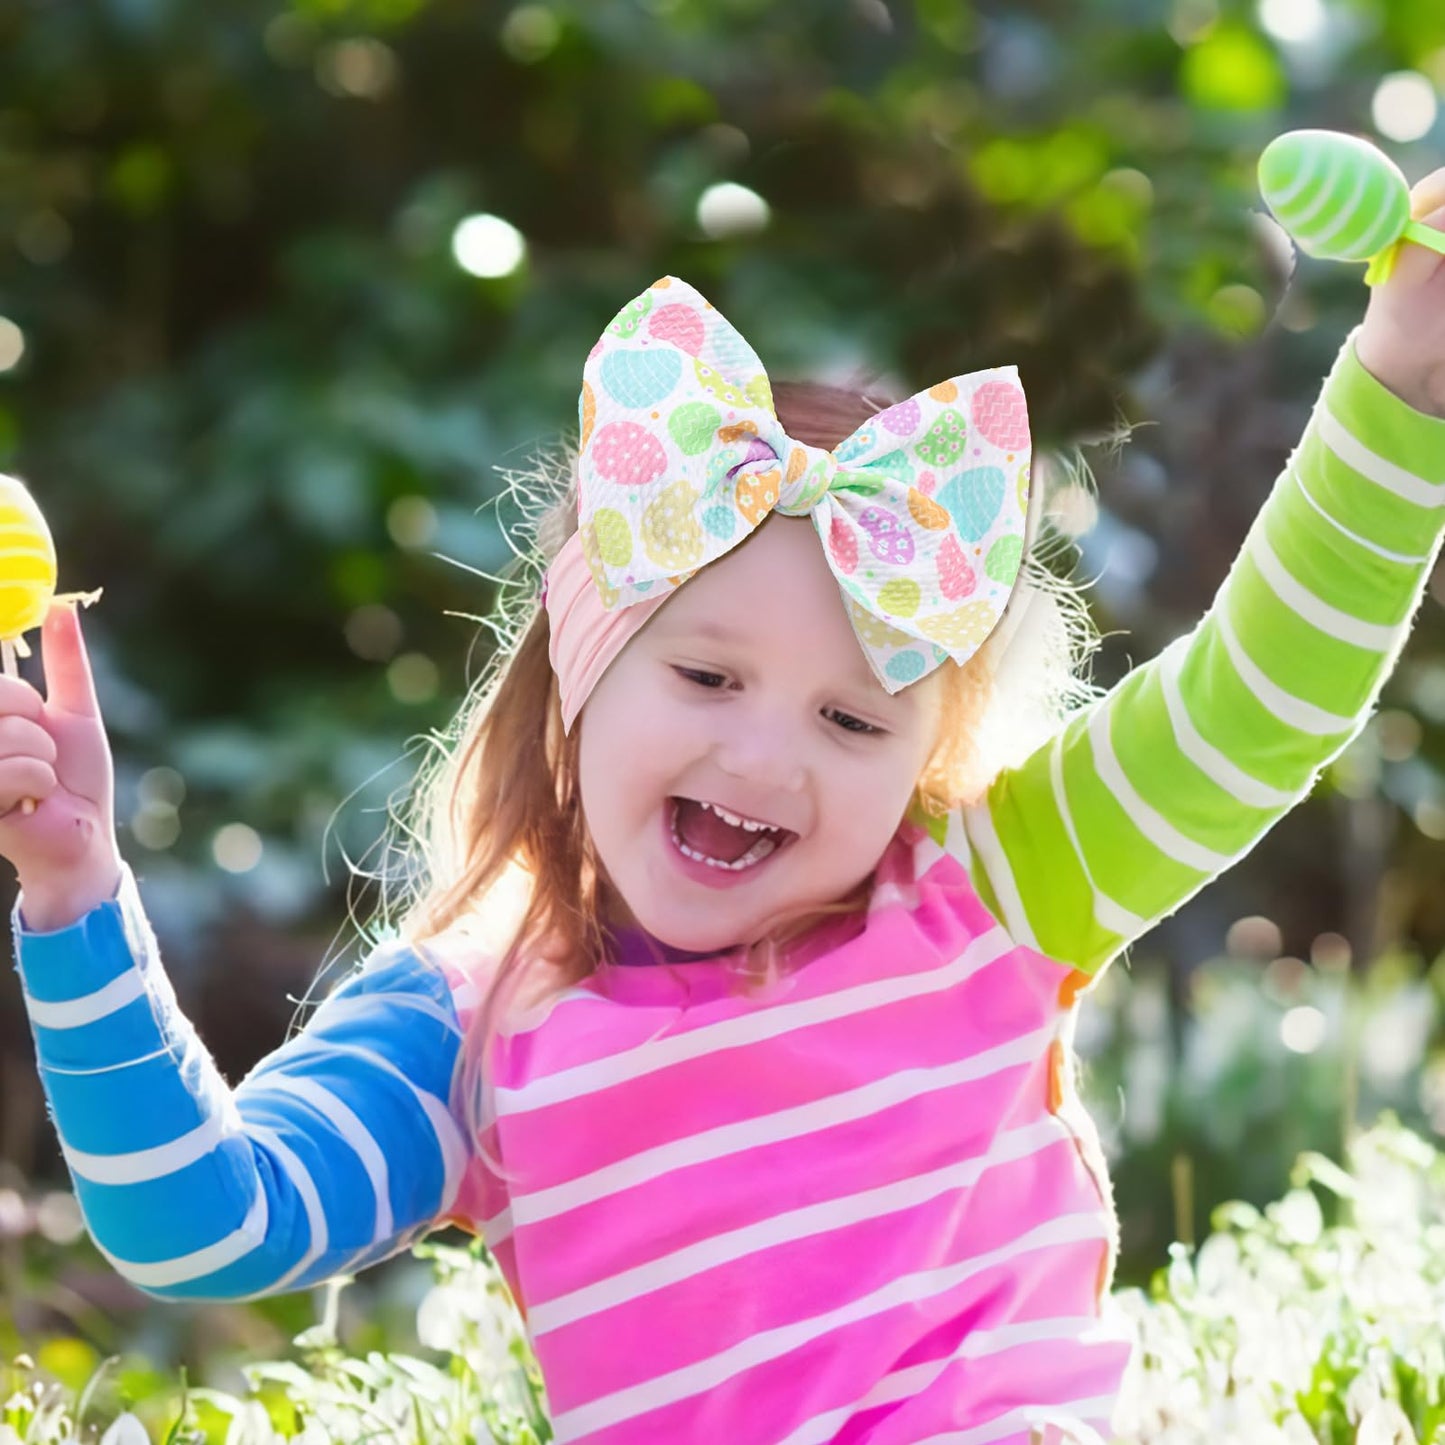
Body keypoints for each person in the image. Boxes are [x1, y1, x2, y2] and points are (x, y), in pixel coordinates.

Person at [7, 195, 1445, 1444]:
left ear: (922, 753)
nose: (765, 756)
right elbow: (204, 1222)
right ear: (580, 661)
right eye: (704, 674)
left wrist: (1397, 385)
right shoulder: (472, 1018)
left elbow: (1260, 700)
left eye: (852, 719)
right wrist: (76, 896)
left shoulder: (988, 887)